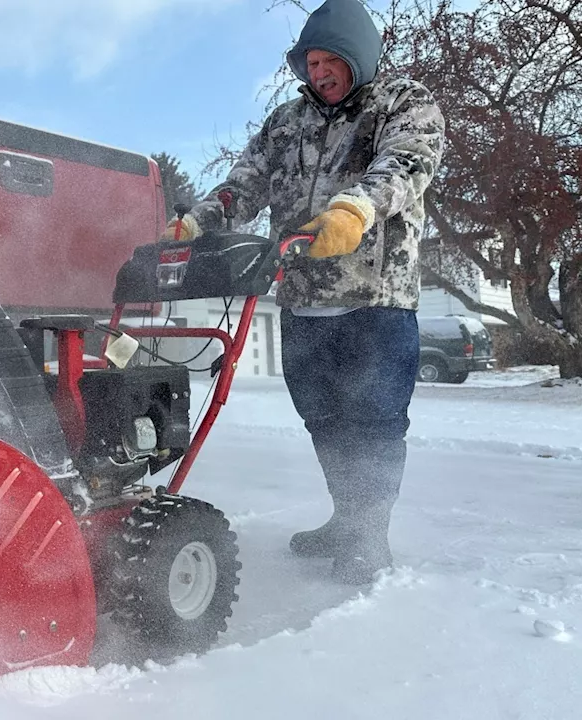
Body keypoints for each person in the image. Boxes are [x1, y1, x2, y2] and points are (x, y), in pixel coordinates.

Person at [164, 0, 446, 584]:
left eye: (329, 61)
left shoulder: (402, 102)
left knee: (373, 422)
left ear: (357, 56)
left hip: (376, 299)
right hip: (301, 298)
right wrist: (197, 221)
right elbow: (243, 184)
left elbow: (407, 164)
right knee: (324, 418)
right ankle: (347, 518)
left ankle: (369, 534)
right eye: (310, 62)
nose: (318, 73)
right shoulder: (286, 122)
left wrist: (353, 209)